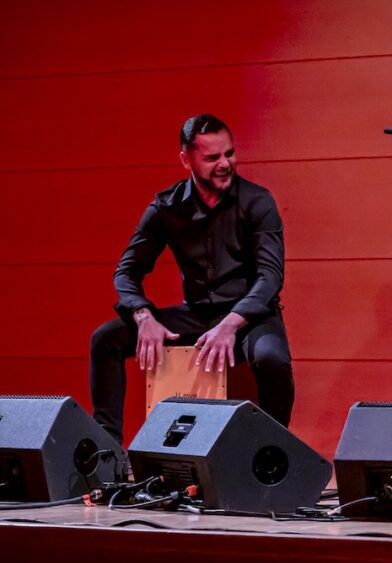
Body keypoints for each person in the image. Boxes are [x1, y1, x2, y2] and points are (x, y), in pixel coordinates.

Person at [90, 114, 295, 443]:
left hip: (249, 318)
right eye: (212, 158)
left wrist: (230, 324)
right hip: (197, 315)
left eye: (229, 153)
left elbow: (270, 276)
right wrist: (144, 316)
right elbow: (126, 271)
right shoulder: (166, 207)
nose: (224, 164)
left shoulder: (258, 202)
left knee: (272, 359)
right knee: (105, 339)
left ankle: (273, 451)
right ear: (186, 160)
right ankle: (107, 451)